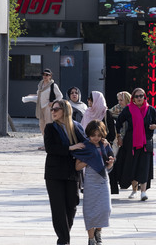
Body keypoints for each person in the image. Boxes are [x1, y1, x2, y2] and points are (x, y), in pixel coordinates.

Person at [44, 99, 86, 245]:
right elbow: (50, 148)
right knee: (58, 208)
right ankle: (63, 240)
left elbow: (86, 144)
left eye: (56, 109)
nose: (53, 112)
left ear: (65, 111)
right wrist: (71, 148)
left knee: (72, 204)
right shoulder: (50, 128)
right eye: (52, 109)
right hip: (54, 173)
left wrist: (102, 144)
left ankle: (64, 236)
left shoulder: (76, 128)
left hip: (72, 172)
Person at [72, 120, 115, 245]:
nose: (96, 138)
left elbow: (109, 167)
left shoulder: (105, 146)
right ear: (88, 134)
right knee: (90, 210)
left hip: (103, 180)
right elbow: (77, 167)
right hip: (90, 182)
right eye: (93, 135)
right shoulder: (85, 146)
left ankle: (98, 231)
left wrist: (110, 163)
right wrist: (88, 160)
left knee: (106, 209)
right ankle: (91, 239)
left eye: (98, 135)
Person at [116, 88, 156, 201]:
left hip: (146, 141)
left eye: (141, 96)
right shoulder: (128, 109)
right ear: (133, 98)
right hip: (131, 142)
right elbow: (118, 122)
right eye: (137, 96)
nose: (139, 98)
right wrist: (119, 136)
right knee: (133, 165)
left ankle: (143, 192)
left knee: (144, 166)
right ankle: (135, 190)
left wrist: (155, 126)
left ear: (145, 97)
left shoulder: (151, 110)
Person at [108, 91, 131, 194]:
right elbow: (108, 113)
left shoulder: (132, 108)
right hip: (119, 137)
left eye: (121, 100)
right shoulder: (117, 108)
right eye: (118, 100)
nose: (120, 102)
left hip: (131, 136)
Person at [36, 68, 63, 150]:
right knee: (42, 126)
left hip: (48, 108)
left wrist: (53, 102)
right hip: (41, 108)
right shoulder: (40, 85)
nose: (45, 76)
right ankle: (45, 143)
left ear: (50, 76)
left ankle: (50, 144)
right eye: (44, 74)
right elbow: (39, 97)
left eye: (47, 75)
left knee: (49, 125)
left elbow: (60, 96)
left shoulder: (53, 85)